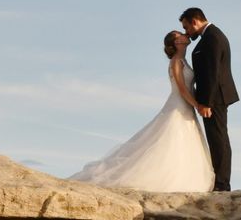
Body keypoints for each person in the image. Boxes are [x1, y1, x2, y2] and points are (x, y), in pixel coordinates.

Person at [68, 31, 214, 192]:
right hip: (179, 104)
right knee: (172, 138)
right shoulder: (176, 62)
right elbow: (181, 88)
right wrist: (197, 104)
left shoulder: (184, 60)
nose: (185, 35)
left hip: (186, 106)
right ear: (176, 42)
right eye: (180, 35)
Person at [179, 7, 239, 192]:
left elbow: (212, 73)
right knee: (218, 139)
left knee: (218, 139)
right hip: (216, 96)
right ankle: (221, 183)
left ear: (195, 21)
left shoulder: (212, 37)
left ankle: (221, 185)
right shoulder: (210, 36)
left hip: (215, 98)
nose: (186, 32)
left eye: (186, 27)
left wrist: (206, 102)